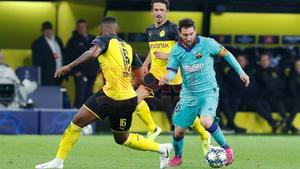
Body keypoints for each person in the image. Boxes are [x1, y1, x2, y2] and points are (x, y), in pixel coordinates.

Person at [35, 16, 172, 169]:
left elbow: (92, 54)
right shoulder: (128, 47)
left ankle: (162, 149)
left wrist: (68, 67)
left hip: (115, 99)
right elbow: (140, 76)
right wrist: (125, 85)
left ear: (100, 31)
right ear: (117, 30)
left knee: (91, 129)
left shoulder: (104, 39)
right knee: (101, 131)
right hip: (119, 98)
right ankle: (58, 162)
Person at [159, 18, 250, 167]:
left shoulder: (208, 43)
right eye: (185, 35)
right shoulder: (176, 50)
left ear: (195, 31)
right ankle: (178, 157)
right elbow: (172, 71)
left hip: (208, 92)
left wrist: (241, 72)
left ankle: (227, 149)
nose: (188, 38)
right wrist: (166, 78)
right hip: (188, 95)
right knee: (178, 132)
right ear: (179, 34)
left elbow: (227, 54)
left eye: (191, 34)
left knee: (206, 122)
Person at [136, 0, 210, 153]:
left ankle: (204, 134)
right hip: (155, 74)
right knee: (134, 100)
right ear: (152, 11)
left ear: (167, 11)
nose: (158, 13)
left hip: (175, 78)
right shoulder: (149, 29)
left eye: (162, 10)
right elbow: (152, 49)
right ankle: (153, 128)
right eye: (156, 9)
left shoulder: (173, 29)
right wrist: (145, 64)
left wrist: (167, 55)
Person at [65, 19, 99, 108]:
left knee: (90, 97)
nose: (81, 29)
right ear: (76, 28)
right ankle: (76, 118)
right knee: (80, 97)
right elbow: (68, 58)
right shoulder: (72, 41)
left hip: (92, 73)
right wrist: (75, 72)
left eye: (83, 27)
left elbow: (99, 55)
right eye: (79, 27)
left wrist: (98, 69)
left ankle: (88, 118)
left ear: (87, 28)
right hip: (80, 74)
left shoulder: (94, 39)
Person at [32, 21, 65, 86]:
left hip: (59, 74)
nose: (48, 31)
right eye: (45, 30)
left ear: (52, 30)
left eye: (49, 29)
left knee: (57, 93)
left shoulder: (58, 40)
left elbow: (64, 54)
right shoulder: (37, 43)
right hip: (46, 76)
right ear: (42, 31)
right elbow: (36, 61)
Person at [284, 59, 300, 134]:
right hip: (293, 99)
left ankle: (288, 125)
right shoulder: (292, 76)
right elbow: (292, 90)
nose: (298, 67)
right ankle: (288, 124)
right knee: (297, 103)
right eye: (297, 65)